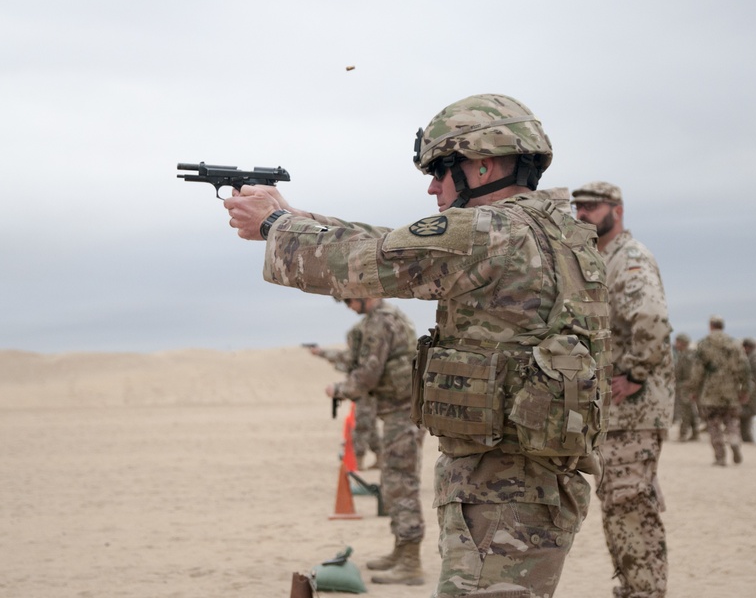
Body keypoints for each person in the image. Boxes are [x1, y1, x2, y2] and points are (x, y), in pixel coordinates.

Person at [224, 93, 612, 598]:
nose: (432, 187)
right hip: (536, 478)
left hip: (502, 486)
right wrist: (296, 216)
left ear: (483, 165)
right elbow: (401, 243)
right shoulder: (558, 232)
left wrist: (276, 226)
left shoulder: (487, 231)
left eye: (440, 171)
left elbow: (363, 262)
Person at [572, 181, 674, 598]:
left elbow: (650, 317)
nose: (583, 214)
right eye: (578, 207)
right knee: (619, 503)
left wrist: (633, 375)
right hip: (618, 412)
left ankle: (645, 591)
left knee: (630, 504)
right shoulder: (602, 258)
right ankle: (634, 588)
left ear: (617, 210)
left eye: (593, 207)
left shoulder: (629, 259)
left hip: (636, 409)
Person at [319, 296, 425, 584]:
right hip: (399, 412)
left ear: (366, 292)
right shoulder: (387, 317)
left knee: (401, 485)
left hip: (403, 413)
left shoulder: (380, 321)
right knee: (393, 483)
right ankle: (400, 551)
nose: (350, 307)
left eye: (350, 300)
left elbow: (368, 374)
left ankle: (411, 562)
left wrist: (339, 389)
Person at [307, 302, 383, 470]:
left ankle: (359, 462)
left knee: (362, 426)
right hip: (364, 391)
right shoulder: (362, 353)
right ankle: (379, 457)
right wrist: (321, 353)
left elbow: (347, 360)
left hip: (366, 392)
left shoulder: (365, 355)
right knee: (369, 427)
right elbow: (344, 358)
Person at [690, 316, 751, 466]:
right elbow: (745, 368)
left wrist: (694, 389)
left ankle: (720, 457)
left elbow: (697, 370)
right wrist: (745, 390)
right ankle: (734, 440)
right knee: (732, 421)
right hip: (731, 391)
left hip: (711, 392)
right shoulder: (734, 344)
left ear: (711, 326)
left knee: (713, 423)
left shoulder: (704, 344)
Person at [672, 333, 700, 442]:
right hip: (686, 386)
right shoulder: (686, 354)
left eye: (677, 341)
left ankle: (683, 434)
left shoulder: (687, 356)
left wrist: (683, 385)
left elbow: (690, 374)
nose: (676, 344)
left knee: (686, 411)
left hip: (686, 387)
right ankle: (695, 433)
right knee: (691, 410)